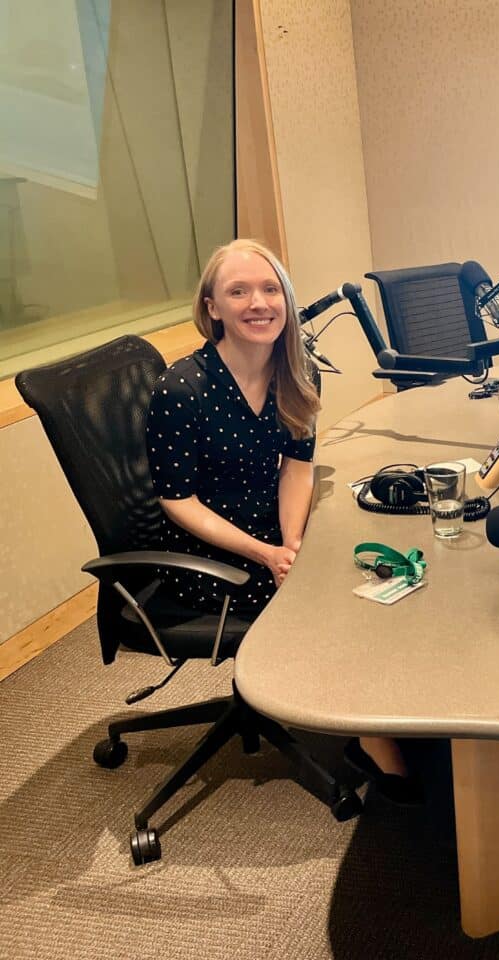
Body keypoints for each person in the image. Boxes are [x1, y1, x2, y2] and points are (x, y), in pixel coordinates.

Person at [147, 238, 419, 804]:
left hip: (273, 530)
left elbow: (297, 467)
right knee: (339, 600)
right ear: (212, 307)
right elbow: (178, 502)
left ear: (287, 300)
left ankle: (400, 707)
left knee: (385, 561)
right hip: (209, 557)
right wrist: (267, 554)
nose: (258, 303)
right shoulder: (182, 389)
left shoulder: (297, 373)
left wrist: (291, 542)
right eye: (238, 291)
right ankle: (373, 739)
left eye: (270, 289)